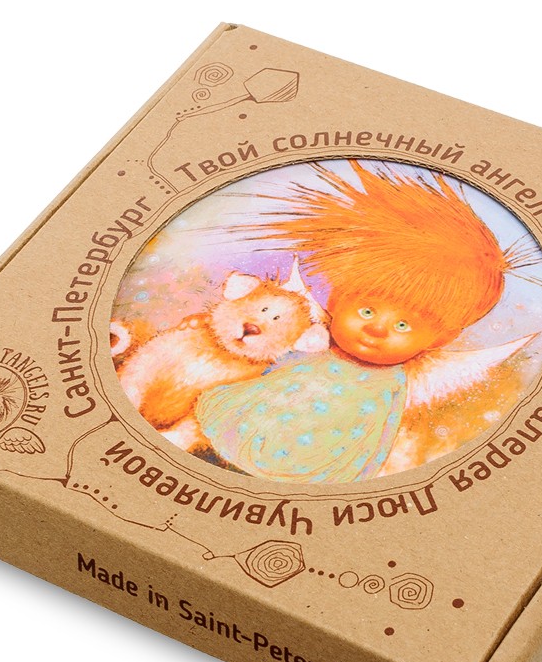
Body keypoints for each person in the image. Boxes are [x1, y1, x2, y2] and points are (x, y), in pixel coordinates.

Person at [194, 161, 508, 482]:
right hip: (249, 422)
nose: (376, 329)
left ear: (440, 339)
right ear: (337, 300)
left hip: (315, 463)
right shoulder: (311, 334)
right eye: (367, 311)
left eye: (403, 326)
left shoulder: (394, 382)